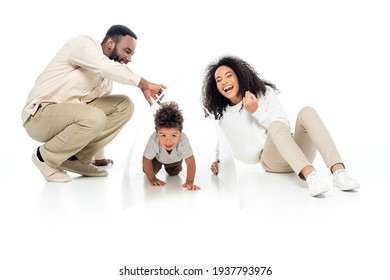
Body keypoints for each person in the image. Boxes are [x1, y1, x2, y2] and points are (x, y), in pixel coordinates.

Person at [22, 25, 166, 182]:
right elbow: (104, 67)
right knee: (95, 115)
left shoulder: (105, 81)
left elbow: (97, 119)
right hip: (39, 116)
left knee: (124, 105)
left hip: (70, 119)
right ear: (110, 43)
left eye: (132, 54)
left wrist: (99, 159)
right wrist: (144, 84)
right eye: (127, 51)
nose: (129, 58)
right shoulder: (82, 44)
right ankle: (44, 157)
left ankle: (76, 159)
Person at [201, 55, 360, 197]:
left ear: (239, 76)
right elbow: (221, 144)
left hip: (298, 150)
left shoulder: (264, 93)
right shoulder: (223, 116)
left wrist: (256, 111)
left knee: (307, 111)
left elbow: (283, 125)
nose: (224, 82)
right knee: (275, 126)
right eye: (219, 80)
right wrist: (218, 162)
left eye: (229, 76)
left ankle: (339, 172)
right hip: (271, 160)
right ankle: (311, 177)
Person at [142, 101, 200, 191]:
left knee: (174, 173)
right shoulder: (154, 139)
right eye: (163, 136)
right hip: (157, 158)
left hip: (175, 160)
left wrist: (189, 181)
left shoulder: (183, 140)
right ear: (157, 133)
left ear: (180, 133)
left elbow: (190, 162)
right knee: (147, 170)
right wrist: (152, 179)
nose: (168, 141)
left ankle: (171, 168)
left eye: (173, 135)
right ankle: (154, 170)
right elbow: (146, 159)